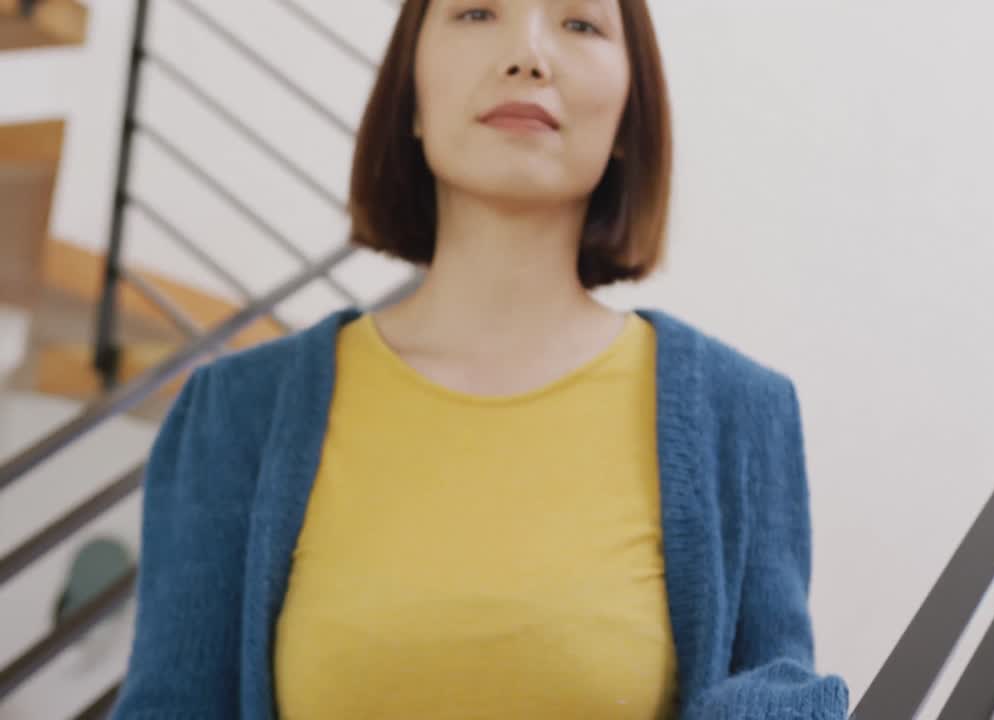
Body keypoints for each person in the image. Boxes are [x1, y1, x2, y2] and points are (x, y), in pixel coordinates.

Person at [111, 0, 849, 718]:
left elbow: (776, 682)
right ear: (413, 101)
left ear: (629, 117)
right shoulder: (234, 413)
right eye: (474, 13)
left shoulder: (741, 412)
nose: (527, 54)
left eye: (581, 23)